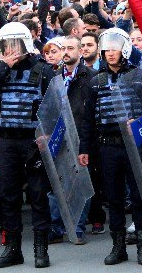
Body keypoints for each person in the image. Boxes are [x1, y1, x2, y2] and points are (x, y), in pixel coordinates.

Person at [79, 28, 142, 266]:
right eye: (106, 49)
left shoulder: (140, 76)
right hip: (107, 148)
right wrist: (85, 148)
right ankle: (118, 247)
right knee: (113, 198)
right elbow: (88, 120)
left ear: (124, 49)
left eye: (113, 48)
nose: (109, 53)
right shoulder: (95, 82)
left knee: (138, 196)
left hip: (135, 146)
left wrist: (140, 121)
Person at [0, 22, 56, 268]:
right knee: (7, 195)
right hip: (6, 140)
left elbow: (55, 107)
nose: (9, 49)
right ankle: (13, 248)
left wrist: (47, 136)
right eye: (5, 45)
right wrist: (4, 67)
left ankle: (40, 249)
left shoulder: (43, 70)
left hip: (33, 141)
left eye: (13, 44)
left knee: (37, 194)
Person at [47, 35, 97, 245]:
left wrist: (86, 142)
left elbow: (91, 113)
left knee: (80, 183)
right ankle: (57, 226)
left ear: (79, 52)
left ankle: (77, 227)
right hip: (58, 137)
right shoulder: (55, 77)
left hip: (80, 137)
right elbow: (48, 107)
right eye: (63, 48)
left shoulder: (91, 77)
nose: (66, 52)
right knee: (56, 184)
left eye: (70, 48)